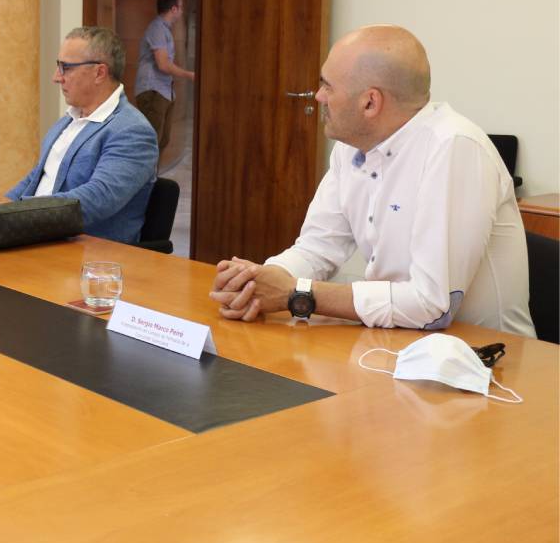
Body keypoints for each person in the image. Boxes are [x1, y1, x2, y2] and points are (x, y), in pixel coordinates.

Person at [209, 24, 533, 337]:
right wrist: (257, 282)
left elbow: (432, 306)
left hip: (485, 367)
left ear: (370, 102)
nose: (318, 96)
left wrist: (296, 294)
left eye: (327, 86)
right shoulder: (348, 150)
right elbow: (316, 248)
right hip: (398, 345)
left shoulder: (453, 147)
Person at [0, 26, 158, 244]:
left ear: (99, 72)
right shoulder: (67, 121)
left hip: (87, 256)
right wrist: (4, 206)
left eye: (66, 68)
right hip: (40, 240)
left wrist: (17, 210)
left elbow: (98, 198)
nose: (56, 77)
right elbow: (38, 175)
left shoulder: (132, 131)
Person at [134, 0, 195, 158]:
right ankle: (146, 182)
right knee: (151, 142)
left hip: (163, 91)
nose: (182, 11)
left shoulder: (164, 30)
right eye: (181, 7)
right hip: (153, 91)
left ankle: (152, 180)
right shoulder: (157, 28)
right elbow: (163, 64)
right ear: (173, 9)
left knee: (162, 140)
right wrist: (189, 75)